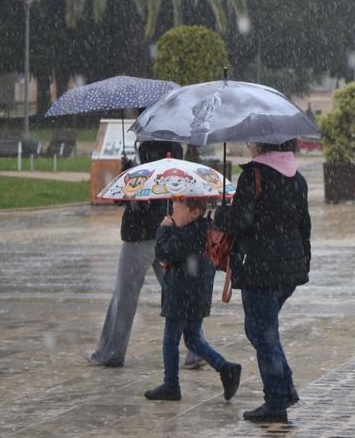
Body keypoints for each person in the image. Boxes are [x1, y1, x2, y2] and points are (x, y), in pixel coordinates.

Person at [215, 138, 311, 424]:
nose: (248, 145)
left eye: (251, 141)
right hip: (289, 270)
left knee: (262, 333)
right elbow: (304, 223)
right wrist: (304, 260)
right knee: (264, 331)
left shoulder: (253, 175)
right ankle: (285, 388)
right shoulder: (297, 178)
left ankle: (276, 401)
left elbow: (240, 222)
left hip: (260, 268)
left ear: (261, 144)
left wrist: (222, 214)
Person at [85, 140, 202, 370]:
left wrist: (127, 171)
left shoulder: (148, 146)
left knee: (124, 296)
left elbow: (132, 194)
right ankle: (197, 348)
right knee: (178, 291)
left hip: (140, 234)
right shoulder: (173, 144)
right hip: (166, 229)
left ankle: (111, 351)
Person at [144, 198, 242, 402]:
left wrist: (163, 230)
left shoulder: (190, 234)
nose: (172, 210)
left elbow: (163, 252)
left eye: (177, 207)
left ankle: (171, 385)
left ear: (194, 212)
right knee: (193, 338)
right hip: (196, 296)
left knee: (171, 340)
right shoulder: (201, 230)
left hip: (181, 295)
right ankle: (226, 368)